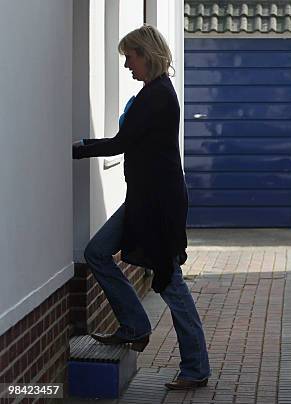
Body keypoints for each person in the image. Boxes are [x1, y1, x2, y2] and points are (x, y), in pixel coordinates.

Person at [72, 25, 211, 390]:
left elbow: (121, 142)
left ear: (146, 54)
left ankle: (196, 368)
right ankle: (134, 325)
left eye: (129, 57)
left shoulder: (159, 96)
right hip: (143, 199)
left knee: (169, 282)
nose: (126, 66)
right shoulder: (152, 92)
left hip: (159, 204)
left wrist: (77, 147)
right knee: (97, 252)